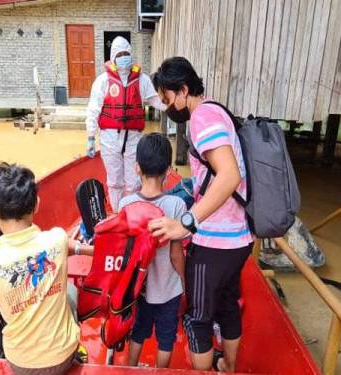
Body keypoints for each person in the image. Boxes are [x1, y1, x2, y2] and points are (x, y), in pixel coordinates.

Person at [148, 57, 253, 373]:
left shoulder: (201, 119)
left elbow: (229, 175)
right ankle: (229, 367)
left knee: (198, 319)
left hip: (216, 243)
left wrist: (186, 223)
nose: (168, 108)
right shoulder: (218, 110)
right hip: (241, 237)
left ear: (183, 90)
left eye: (168, 100)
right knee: (227, 307)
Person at [0, 162, 84, 374]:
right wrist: (90, 249)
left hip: (22, 365)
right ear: (36, 204)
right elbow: (68, 245)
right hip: (64, 357)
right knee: (70, 290)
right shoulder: (57, 239)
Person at [119, 133, 186, 368]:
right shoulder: (176, 205)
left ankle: (131, 367)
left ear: (137, 168)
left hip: (140, 289)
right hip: (168, 289)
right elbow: (176, 254)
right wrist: (184, 282)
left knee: (138, 332)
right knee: (166, 338)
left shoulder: (125, 205)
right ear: (168, 170)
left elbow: (125, 253)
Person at [85, 36, 166, 212]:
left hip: (133, 138)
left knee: (134, 180)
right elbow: (93, 110)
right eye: (120, 54)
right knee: (114, 181)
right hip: (109, 137)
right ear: (113, 57)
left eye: (126, 53)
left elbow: (155, 100)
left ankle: (131, 212)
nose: (124, 57)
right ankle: (117, 211)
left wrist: (172, 107)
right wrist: (91, 137)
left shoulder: (142, 80)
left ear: (131, 54)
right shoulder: (103, 81)